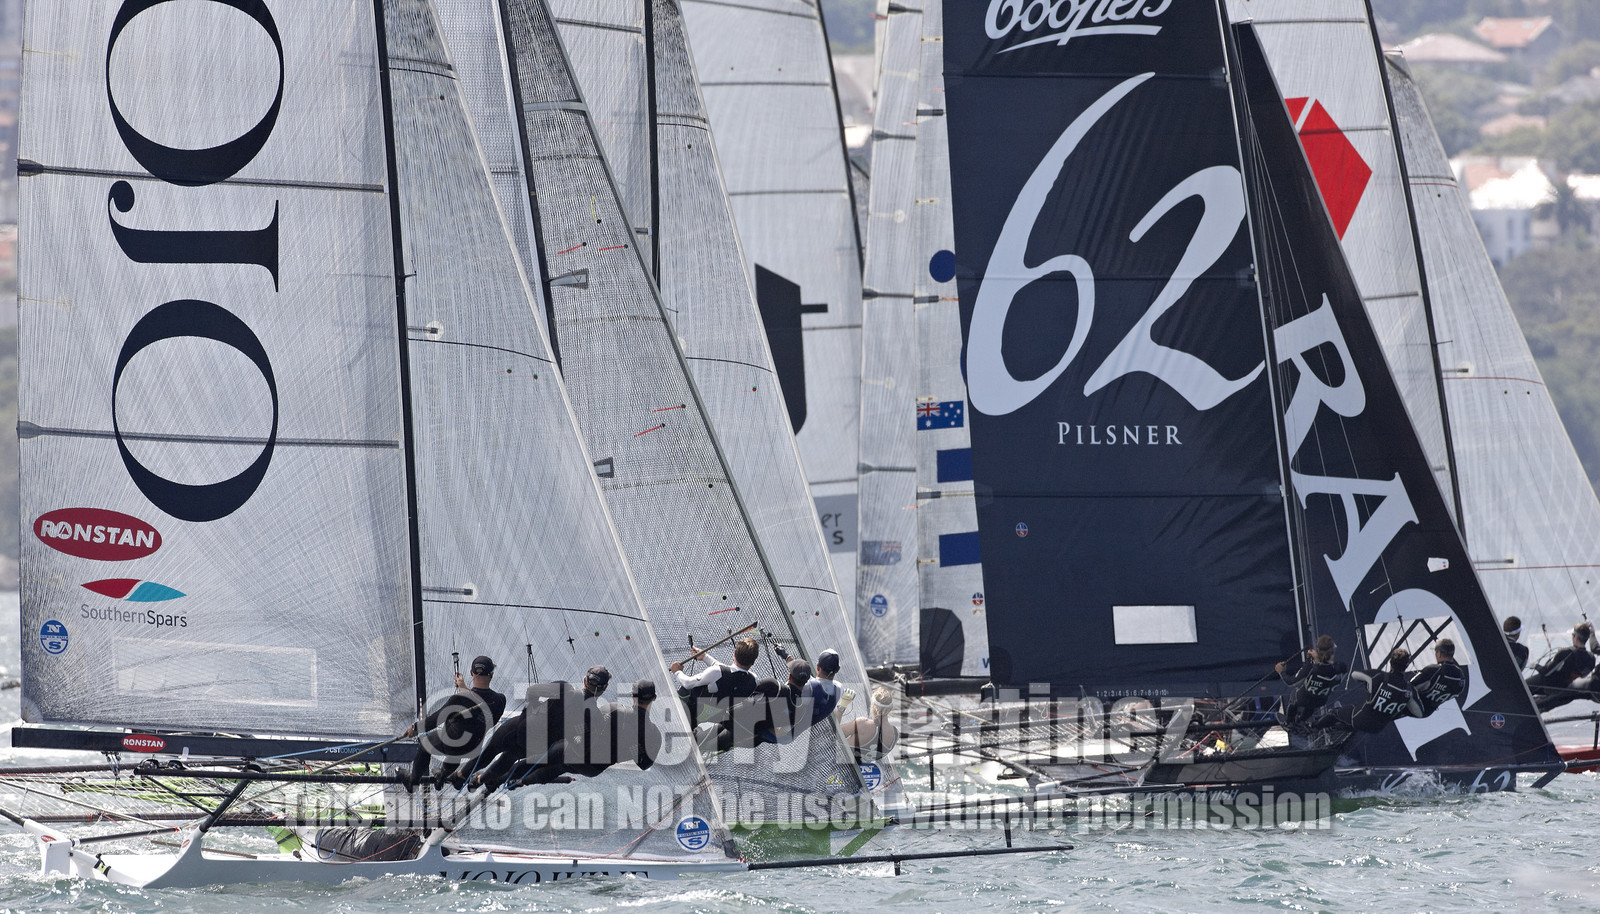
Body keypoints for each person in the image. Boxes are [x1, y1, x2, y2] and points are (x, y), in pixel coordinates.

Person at [469, 665, 610, 791]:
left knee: (506, 755)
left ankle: (480, 779)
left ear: (585, 680)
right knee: (531, 764)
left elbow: (533, 692)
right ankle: (491, 780)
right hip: (553, 747)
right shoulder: (596, 717)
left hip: (531, 732)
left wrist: (531, 711)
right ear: (604, 688)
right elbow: (581, 739)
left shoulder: (566, 690)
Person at [403, 655, 506, 791]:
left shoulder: (460, 699)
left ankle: (413, 782)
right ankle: (442, 776)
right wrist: (464, 689)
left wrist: (415, 727)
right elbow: (482, 707)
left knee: (426, 743)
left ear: (471, 673)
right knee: (458, 746)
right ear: (491, 675)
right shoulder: (500, 700)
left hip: (451, 744)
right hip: (473, 747)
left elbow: (435, 719)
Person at [1314, 648, 1423, 735]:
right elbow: (1419, 713)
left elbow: (1354, 675)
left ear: (1391, 662)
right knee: (1355, 723)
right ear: (1406, 666)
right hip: (1376, 728)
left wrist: (1368, 683)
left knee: (1335, 712)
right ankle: (1333, 728)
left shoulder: (1379, 676)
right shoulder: (1409, 690)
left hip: (1360, 719)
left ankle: (1313, 727)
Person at [670, 636, 760, 727]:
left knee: (687, 690)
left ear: (735, 653)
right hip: (706, 718)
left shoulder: (717, 672)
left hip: (685, 710)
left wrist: (677, 671)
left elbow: (687, 683)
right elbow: (729, 672)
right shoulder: (754, 681)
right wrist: (705, 657)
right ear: (753, 661)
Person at [1275, 635, 1347, 727]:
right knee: (1313, 700)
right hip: (1320, 701)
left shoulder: (1310, 668)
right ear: (1333, 651)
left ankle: (1289, 722)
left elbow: (1291, 682)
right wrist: (1315, 661)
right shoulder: (1341, 667)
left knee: (1295, 695)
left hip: (1303, 698)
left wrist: (1281, 672)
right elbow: (1327, 671)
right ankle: (1302, 720)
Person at [1527, 622, 1596, 712]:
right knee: (1536, 709)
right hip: (1564, 693)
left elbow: (1546, 672)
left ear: (1575, 636)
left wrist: (1535, 665)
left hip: (1547, 685)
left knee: (1521, 687)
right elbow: (1581, 675)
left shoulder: (1565, 652)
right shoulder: (1591, 659)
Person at [1409, 639, 1468, 716]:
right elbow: (1457, 693)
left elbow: (1409, 686)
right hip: (1429, 712)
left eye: (1436, 652)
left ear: (1438, 654)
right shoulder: (1460, 675)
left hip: (1414, 709)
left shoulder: (1433, 669)